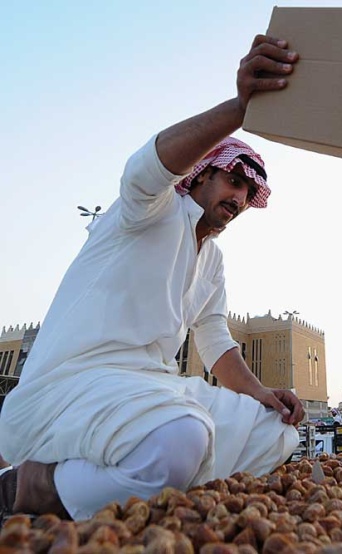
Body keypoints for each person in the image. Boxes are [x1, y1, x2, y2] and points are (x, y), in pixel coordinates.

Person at [0, 34, 305, 521]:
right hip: (71, 388)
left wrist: (263, 395)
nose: (240, 198)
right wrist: (239, 108)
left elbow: (215, 341)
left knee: (276, 431)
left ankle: (141, 493)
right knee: (180, 437)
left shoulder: (213, 260)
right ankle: (33, 485)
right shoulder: (150, 210)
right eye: (233, 180)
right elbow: (147, 166)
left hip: (150, 387)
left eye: (249, 191)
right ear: (201, 174)